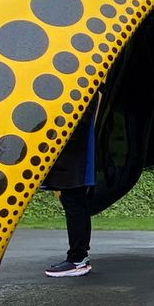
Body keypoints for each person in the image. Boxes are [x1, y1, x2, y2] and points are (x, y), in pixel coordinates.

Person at [42, 106, 98, 277]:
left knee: (74, 203)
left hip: (74, 155)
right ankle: (78, 258)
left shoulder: (84, 87)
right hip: (75, 154)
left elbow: (77, 119)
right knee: (75, 202)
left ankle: (77, 259)